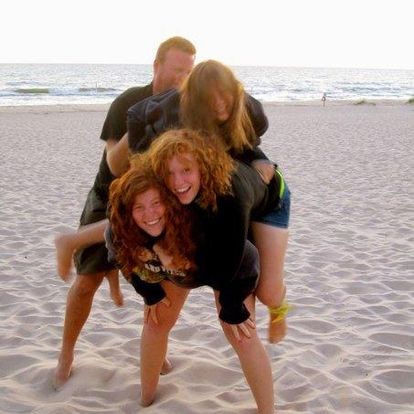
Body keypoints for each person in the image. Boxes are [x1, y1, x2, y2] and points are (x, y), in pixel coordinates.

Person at [53, 36, 196, 389]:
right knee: (86, 283)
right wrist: (146, 121)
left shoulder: (189, 107)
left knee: (163, 284)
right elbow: (115, 165)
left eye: (189, 72)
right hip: (110, 194)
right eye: (178, 70)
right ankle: (66, 353)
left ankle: (156, 348)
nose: (182, 78)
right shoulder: (129, 102)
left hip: (155, 204)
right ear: (157, 66)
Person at [109, 131, 280, 412]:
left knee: (240, 331)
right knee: (155, 321)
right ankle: (146, 400)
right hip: (184, 261)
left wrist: (232, 304)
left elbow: (246, 261)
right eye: (169, 173)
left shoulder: (227, 201)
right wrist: (150, 289)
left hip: (231, 264)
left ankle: (267, 410)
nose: (178, 182)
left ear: (202, 167)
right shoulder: (155, 201)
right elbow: (119, 244)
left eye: (187, 170)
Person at [127, 60, 291, 343]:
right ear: (195, 100)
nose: (218, 103)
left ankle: (279, 311)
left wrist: (258, 158)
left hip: (265, 198)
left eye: (224, 93)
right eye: (209, 97)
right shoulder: (176, 118)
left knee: (268, 292)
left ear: (236, 92)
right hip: (225, 194)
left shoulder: (251, 112)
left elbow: (245, 143)